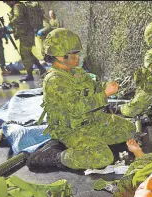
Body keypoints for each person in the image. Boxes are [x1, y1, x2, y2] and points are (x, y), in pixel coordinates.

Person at [26, 28, 136, 170]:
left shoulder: (76, 72)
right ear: (60, 56)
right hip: (71, 129)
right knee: (103, 158)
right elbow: (76, 108)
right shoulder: (54, 80)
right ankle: (56, 156)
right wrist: (104, 95)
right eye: (74, 55)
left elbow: (93, 87)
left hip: (91, 120)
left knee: (129, 129)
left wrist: (106, 86)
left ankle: (91, 142)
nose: (77, 57)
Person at [4, 1, 46, 82]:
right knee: (28, 53)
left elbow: (18, 17)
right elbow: (22, 22)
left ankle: (30, 75)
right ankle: (41, 68)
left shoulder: (17, 6)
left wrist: (9, 24)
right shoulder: (18, 6)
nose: (6, 3)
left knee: (25, 54)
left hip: (26, 34)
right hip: (25, 33)